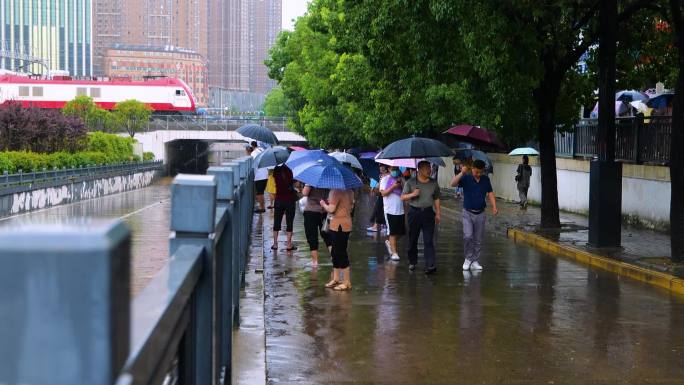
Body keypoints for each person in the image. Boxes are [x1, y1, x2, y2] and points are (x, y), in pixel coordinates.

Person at [450, 159, 499, 271]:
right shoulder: (466, 178)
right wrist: (462, 172)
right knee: (468, 236)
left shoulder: (485, 179)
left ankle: (475, 260)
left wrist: (494, 206)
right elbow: (452, 184)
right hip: (467, 212)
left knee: (478, 239)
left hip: (481, 213)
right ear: (472, 169)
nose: (478, 174)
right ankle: (468, 258)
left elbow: (490, 193)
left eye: (481, 172)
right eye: (476, 172)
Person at [401, 161, 441, 274]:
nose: (429, 170)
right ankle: (412, 261)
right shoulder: (411, 182)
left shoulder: (433, 183)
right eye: (427, 168)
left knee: (429, 240)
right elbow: (402, 197)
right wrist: (413, 194)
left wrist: (438, 213)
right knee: (413, 239)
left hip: (428, 213)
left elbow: (437, 198)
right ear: (419, 169)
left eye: (430, 167)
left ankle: (430, 264)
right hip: (414, 213)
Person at [321, 188, 354, 291]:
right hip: (342, 224)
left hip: (339, 226)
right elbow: (351, 207)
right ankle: (336, 278)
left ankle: (347, 281)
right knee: (335, 252)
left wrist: (323, 204)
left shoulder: (337, 191)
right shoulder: (350, 191)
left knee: (340, 252)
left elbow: (331, 209)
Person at [380, 166, 405, 261]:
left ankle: (390, 243)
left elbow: (405, 191)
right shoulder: (385, 179)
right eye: (393, 169)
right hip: (390, 210)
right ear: (389, 169)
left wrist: (401, 184)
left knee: (400, 233)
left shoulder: (400, 178)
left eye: (396, 169)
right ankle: (394, 253)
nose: (395, 171)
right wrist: (393, 186)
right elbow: (383, 193)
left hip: (400, 209)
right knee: (393, 232)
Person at [302, 185, 331, 267]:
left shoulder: (311, 180)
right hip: (324, 211)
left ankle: (314, 261)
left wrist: (307, 185)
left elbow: (304, 193)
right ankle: (334, 257)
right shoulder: (329, 181)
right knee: (327, 235)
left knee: (312, 236)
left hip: (311, 211)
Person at [271, 164, 298, 251]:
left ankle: (275, 244)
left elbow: (274, 182)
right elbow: (295, 182)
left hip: (279, 199)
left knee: (276, 221)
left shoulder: (276, 170)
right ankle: (289, 245)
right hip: (289, 200)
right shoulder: (291, 169)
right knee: (289, 222)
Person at [367, 165, 388, 232]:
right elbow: (380, 185)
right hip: (381, 195)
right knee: (379, 209)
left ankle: (380, 226)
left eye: (383, 169)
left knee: (379, 209)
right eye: (380, 170)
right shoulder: (381, 176)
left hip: (386, 195)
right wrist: (374, 187)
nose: (381, 171)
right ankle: (378, 226)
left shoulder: (388, 176)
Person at [251, 141, 268, 213]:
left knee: (259, 192)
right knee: (261, 192)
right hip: (265, 174)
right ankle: (262, 206)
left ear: (252, 146)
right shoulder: (262, 150)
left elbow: (253, 163)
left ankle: (262, 208)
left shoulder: (254, 153)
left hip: (259, 176)